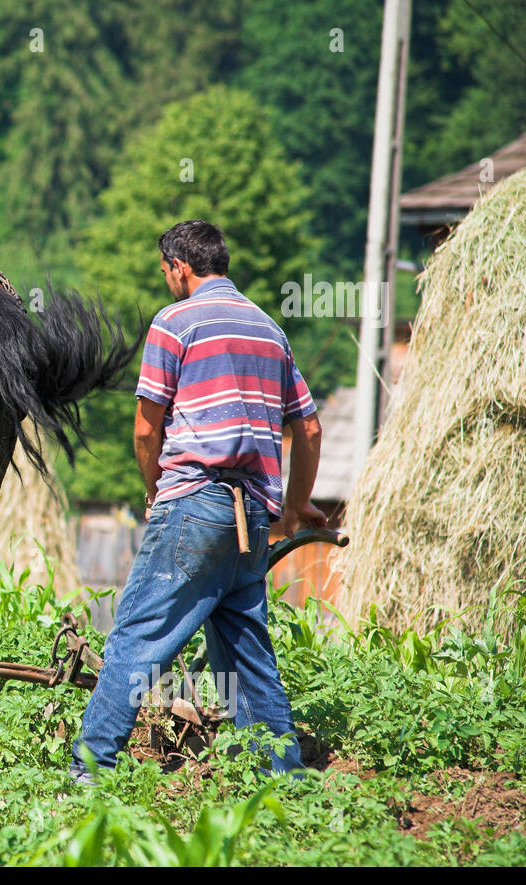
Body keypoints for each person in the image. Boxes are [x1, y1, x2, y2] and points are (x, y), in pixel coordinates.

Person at [71, 219, 325, 780]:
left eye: (165, 272)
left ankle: (90, 770)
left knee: (138, 635)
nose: (166, 281)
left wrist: (155, 488)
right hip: (251, 516)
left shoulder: (175, 323)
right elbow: (308, 429)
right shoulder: (269, 329)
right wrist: (297, 503)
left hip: (196, 503)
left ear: (179, 267)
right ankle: (281, 777)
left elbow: (145, 428)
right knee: (245, 651)